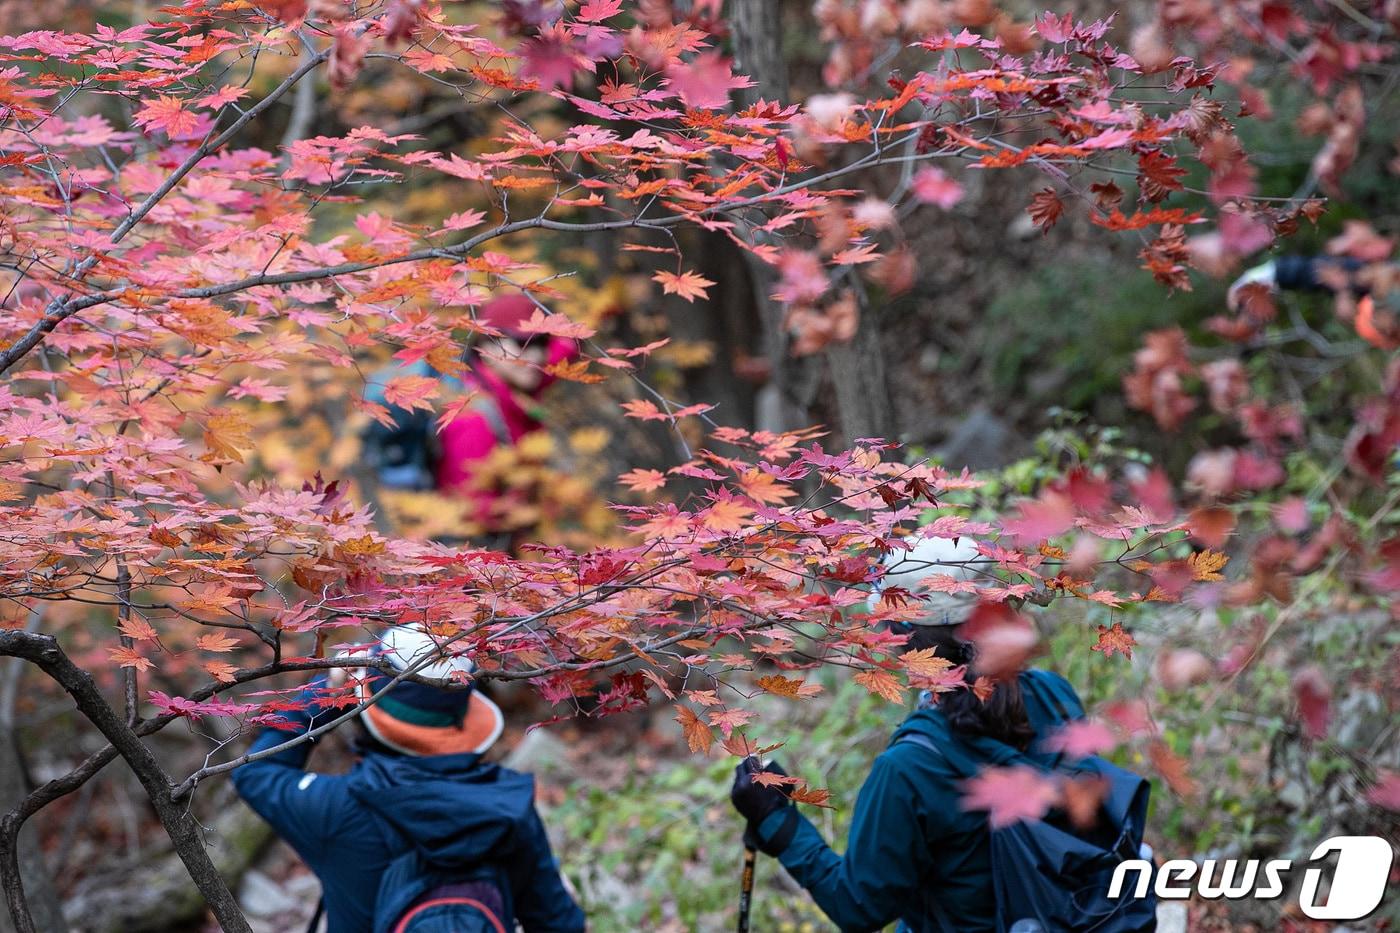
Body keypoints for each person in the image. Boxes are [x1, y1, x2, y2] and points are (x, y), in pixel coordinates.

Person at [728, 537, 1128, 933]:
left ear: (903, 639)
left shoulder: (908, 768)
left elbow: (859, 906)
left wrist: (776, 822)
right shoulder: (1052, 693)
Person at [232, 626, 585, 933]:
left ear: (367, 707)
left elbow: (255, 772)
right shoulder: (510, 809)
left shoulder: (337, 809)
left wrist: (325, 690)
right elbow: (559, 925)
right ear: (466, 712)